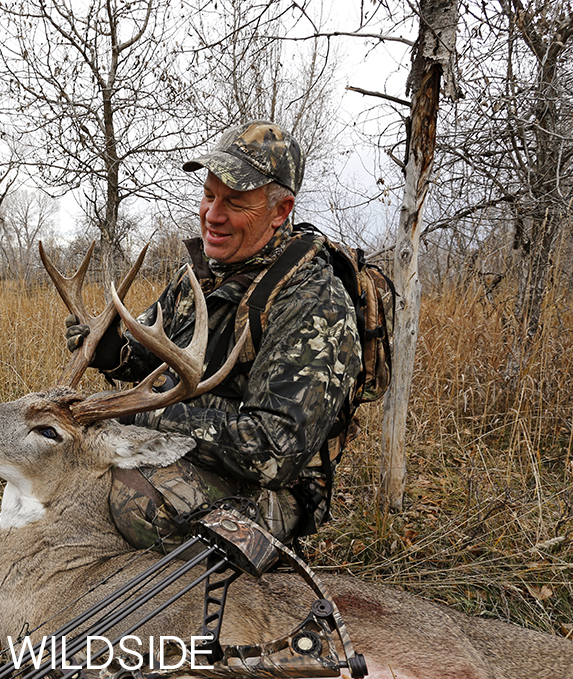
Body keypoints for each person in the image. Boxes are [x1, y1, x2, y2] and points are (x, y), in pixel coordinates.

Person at [66, 120, 362, 551]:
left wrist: (141, 416)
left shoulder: (314, 304)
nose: (213, 215)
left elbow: (273, 452)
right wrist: (112, 350)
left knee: (136, 499)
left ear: (280, 211)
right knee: (76, 466)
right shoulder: (202, 276)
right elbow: (147, 352)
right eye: (208, 195)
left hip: (276, 492)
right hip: (193, 446)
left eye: (235, 202)